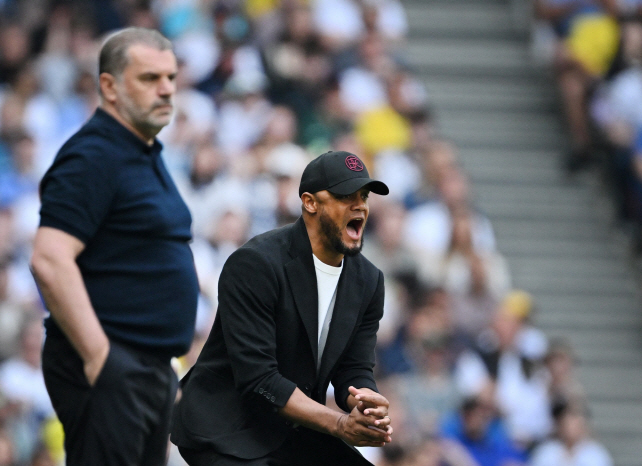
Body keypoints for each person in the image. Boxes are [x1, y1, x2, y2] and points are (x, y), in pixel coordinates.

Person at [29, 28, 198, 465]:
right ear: (109, 86)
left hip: (149, 368)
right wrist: (100, 358)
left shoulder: (142, 150)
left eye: (171, 77)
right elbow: (49, 258)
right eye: (149, 78)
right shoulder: (94, 155)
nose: (166, 89)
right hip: (114, 363)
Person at [171, 150, 393, 465]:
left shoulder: (369, 281)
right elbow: (258, 379)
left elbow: (353, 368)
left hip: (297, 430)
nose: (360, 206)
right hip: (227, 428)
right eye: (346, 195)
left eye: (364, 196)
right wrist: (339, 424)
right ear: (310, 202)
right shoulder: (255, 263)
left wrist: (364, 402)